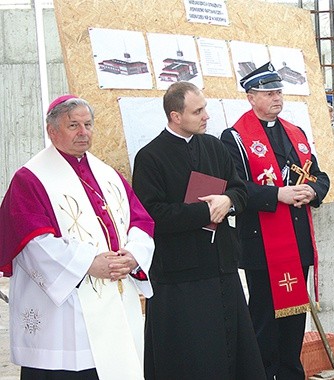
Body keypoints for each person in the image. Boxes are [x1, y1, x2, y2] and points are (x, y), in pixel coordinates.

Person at [0, 95, 155, 379]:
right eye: (73, 125)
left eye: (88, 124)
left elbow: (141, 220)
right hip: (65, 310)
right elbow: (33, 244)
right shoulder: (30, 179)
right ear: (52, 130)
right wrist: (88, 264)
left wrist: (132, 256)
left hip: (114, 298)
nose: (83, 132)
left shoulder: (107, 174)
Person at [131, 82, 266, 379]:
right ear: (175, 116)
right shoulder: (150, 157)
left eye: (204, 108)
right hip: (180, 277)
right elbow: (153, 215)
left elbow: (240, 189)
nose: (207, 116)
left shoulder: (215, 146)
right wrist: (205, 211)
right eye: (198, 111)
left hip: (221, 268)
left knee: (233, 355)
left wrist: (228, 200)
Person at [220, 62, 330, 379]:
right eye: (269, 93)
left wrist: (312, 190)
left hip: (297, 241)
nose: (277, 98)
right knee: (265, 320)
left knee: (295, 319)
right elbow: (235, 188)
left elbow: (320, 176)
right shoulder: (235, 138)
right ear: (251, 97)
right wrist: (276, 196)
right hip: (261, 244)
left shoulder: (296, 133)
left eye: (279, 91)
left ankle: (292, 374)